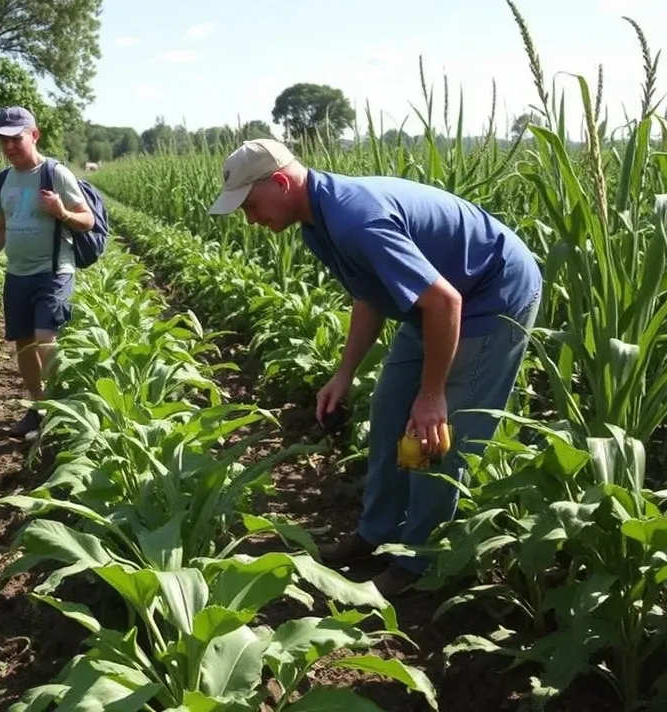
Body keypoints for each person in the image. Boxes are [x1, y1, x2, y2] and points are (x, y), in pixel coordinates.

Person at [207, 138, 542, 597]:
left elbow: (447, 301)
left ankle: (415, 562)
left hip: (489, 295)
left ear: (282, 183)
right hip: (433, 306)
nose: (250, 218)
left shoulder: (355, 218)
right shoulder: (314, 223)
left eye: (250, 205)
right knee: (387, 412)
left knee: (431, 439)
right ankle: (375, 533)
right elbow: (369, 294)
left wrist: (431, 395)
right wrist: (344, 373)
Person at [0, 106, 95, 438]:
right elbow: (0, 228)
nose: (9, 146)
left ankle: (60, 407)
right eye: (3, 140)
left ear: (34, 135)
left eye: (16, 138)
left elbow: (87, 220)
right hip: (17, 273)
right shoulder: (2, 179)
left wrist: (62, 211)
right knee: (23, 345)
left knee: (44, 337)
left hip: (54, 269)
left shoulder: (55, 173)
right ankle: (38, 409)